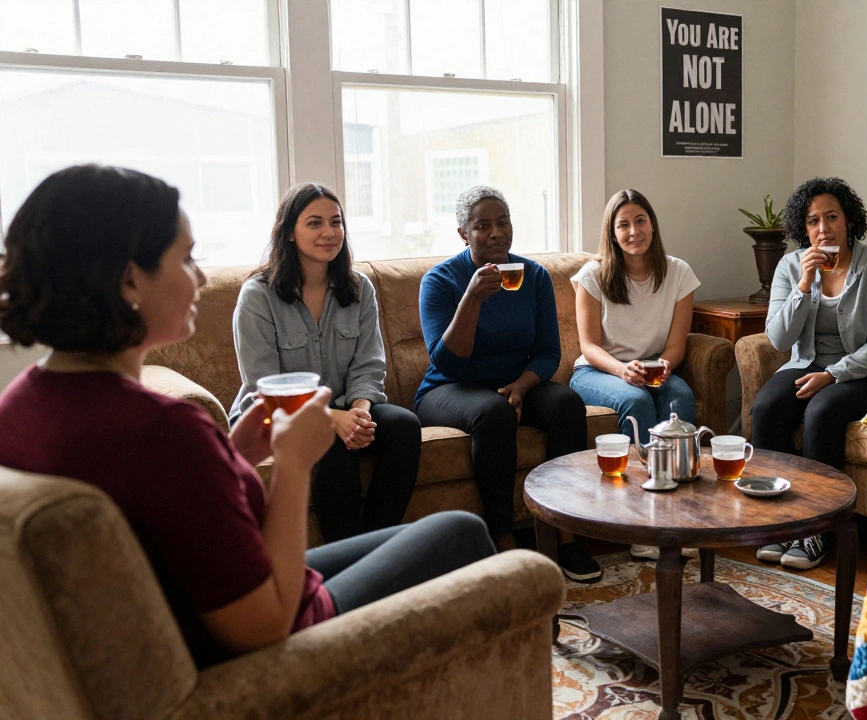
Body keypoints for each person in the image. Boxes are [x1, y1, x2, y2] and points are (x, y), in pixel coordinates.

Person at [0, 165, 495, 668]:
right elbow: (266, 625)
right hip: (262, 643)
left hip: (188, 613)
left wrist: (235, 453)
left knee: (406, 520)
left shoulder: (18, 405)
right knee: (460, 533)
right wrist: (295, 463)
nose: (199, 276)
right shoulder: (163, 428)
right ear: (130, 279)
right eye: (186, 258)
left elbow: (180, 513)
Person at [415, 185, 600, 582]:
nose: (496, 233)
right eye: (483, 226)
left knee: (567, 403)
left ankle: (563, 533)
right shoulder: (440, 281)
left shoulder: (532, 276)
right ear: (464, 233)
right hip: (449, 388)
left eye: (503, 222)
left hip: (516, 384)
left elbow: (549, 352)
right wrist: (472, 298)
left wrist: (522, 385)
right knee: (494, 413)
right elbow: (446, 360)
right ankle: (503, 541)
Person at [229, 183, 420, 543]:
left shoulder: (359, 287)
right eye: (314, 223)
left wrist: (360, 411)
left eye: (336, 222)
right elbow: (263, 383)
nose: (329, 233)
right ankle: (343, 555)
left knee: (404, 426)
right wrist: (333, 419)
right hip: (275, 414)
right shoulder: (258, 295)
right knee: (329, 443)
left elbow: (369, 364)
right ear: (288, 232)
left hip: (346, 405)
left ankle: (376, 549)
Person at [751, 177, 867, 569]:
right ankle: (785, 521)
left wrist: (833, 375)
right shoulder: (791, 265)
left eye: (832, 217)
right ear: (803, 229)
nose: (824, 228)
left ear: (848, 220)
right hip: (807, 364)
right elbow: (778, 338)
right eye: (813, 221)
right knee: (766, 408)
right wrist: (804, 284)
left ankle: (817, 528)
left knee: (822, 410)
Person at [570, 188, 701, 561]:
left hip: (654, 368)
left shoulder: (678, 273)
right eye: (623, 224)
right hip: (598, 371)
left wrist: (660, 368)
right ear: (612, 233)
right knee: (634, 401)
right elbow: (589, 346)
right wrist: (622, 369)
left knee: (681, 398)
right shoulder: (592, 276)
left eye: (640, 221)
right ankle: (641, 522)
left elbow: (676, 347)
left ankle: (682, 516)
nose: (633, 231)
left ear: (652, 225)